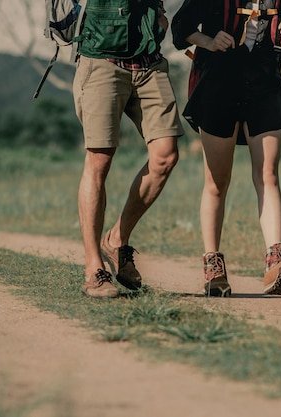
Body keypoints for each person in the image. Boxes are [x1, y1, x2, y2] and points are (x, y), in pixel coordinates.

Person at [171, 0, 281, 296]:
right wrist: (209, 40)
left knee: (268, 174)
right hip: (218, 83)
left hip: (265, 83)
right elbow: (180, 28)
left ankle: (275, 260)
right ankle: (213, 266)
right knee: (217, 182)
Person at [75, 0, 184, 298]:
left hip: (149, 62)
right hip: (102, 59)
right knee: (99, 159)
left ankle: (116, 239)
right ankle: (94, 269)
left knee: (165, 156)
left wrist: (160, 15)